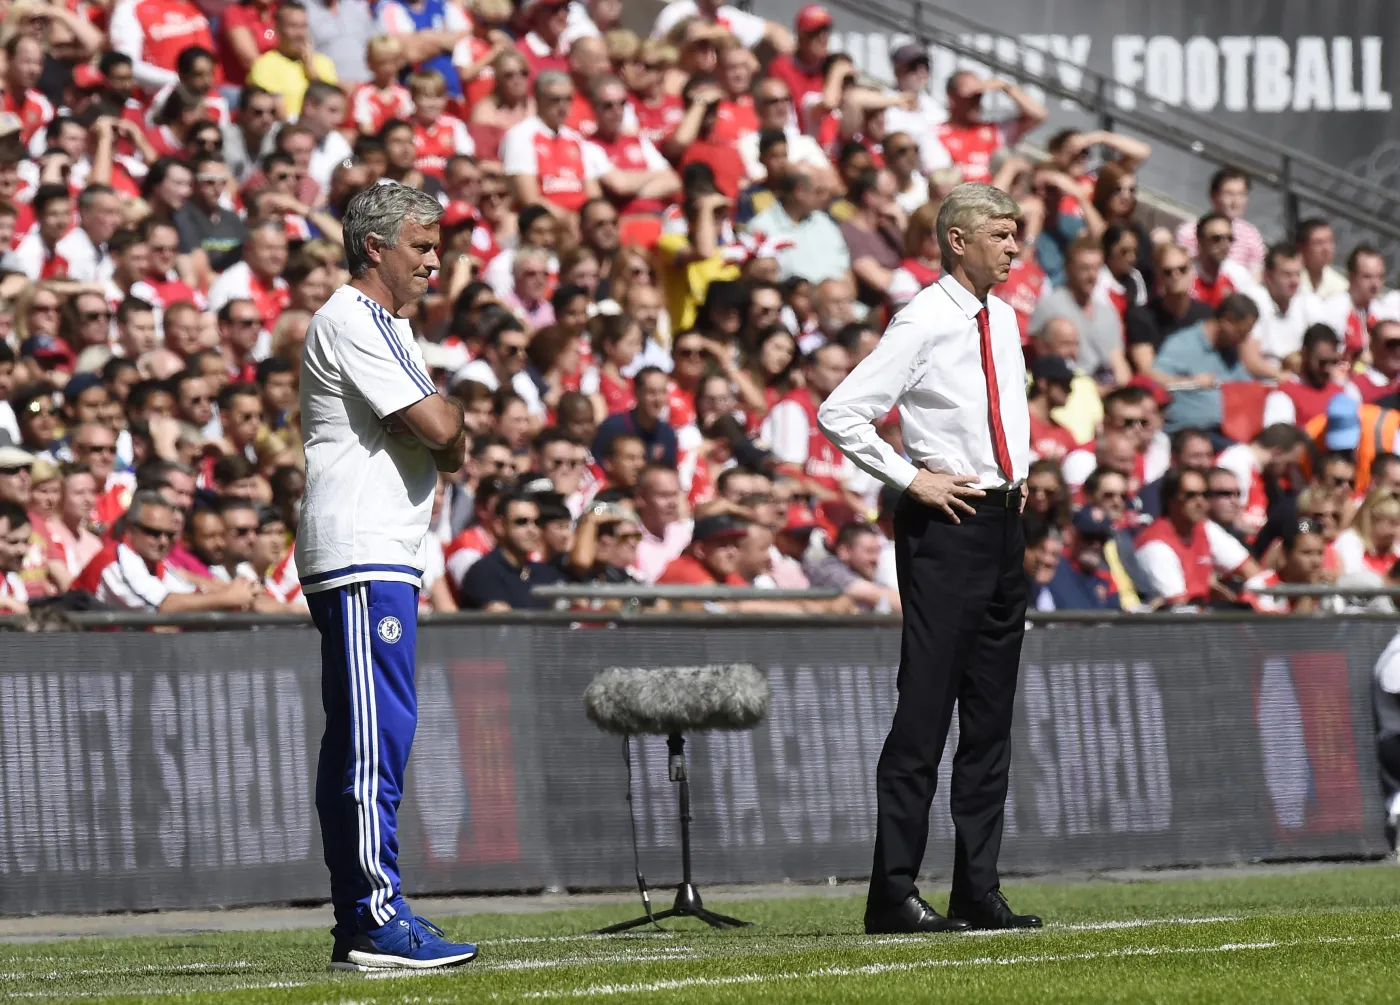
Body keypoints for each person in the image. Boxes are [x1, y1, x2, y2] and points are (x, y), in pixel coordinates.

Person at [817, 183, 1038, 933]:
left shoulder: (1001, 317)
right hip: (951, 521)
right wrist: (912, 477)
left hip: (1004, 520)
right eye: (1002, 235)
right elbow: (840, 410)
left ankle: (979, 886)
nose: (1014, 248)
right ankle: (894, 891)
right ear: (958, 239)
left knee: (989, 717)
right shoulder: (923, 317)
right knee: (924, 713)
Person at [295, 183, 478, 970]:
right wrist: (445, 417)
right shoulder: (353, 317)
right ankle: (373, 919)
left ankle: (369, 912)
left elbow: (453, 447)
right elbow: (444, 429)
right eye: (422, 245)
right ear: (375, 247)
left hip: (380, 553)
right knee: (374, 743)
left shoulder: (388, 324)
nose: (436, 261)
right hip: (364, 551)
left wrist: (445, 424)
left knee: (370, 739)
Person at [458, 490, 564, 608]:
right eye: (521, 522)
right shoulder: (483, 573)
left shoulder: (546, 573)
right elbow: (502, 621)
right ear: (500, 526)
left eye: (537, 522)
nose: (532, 530)